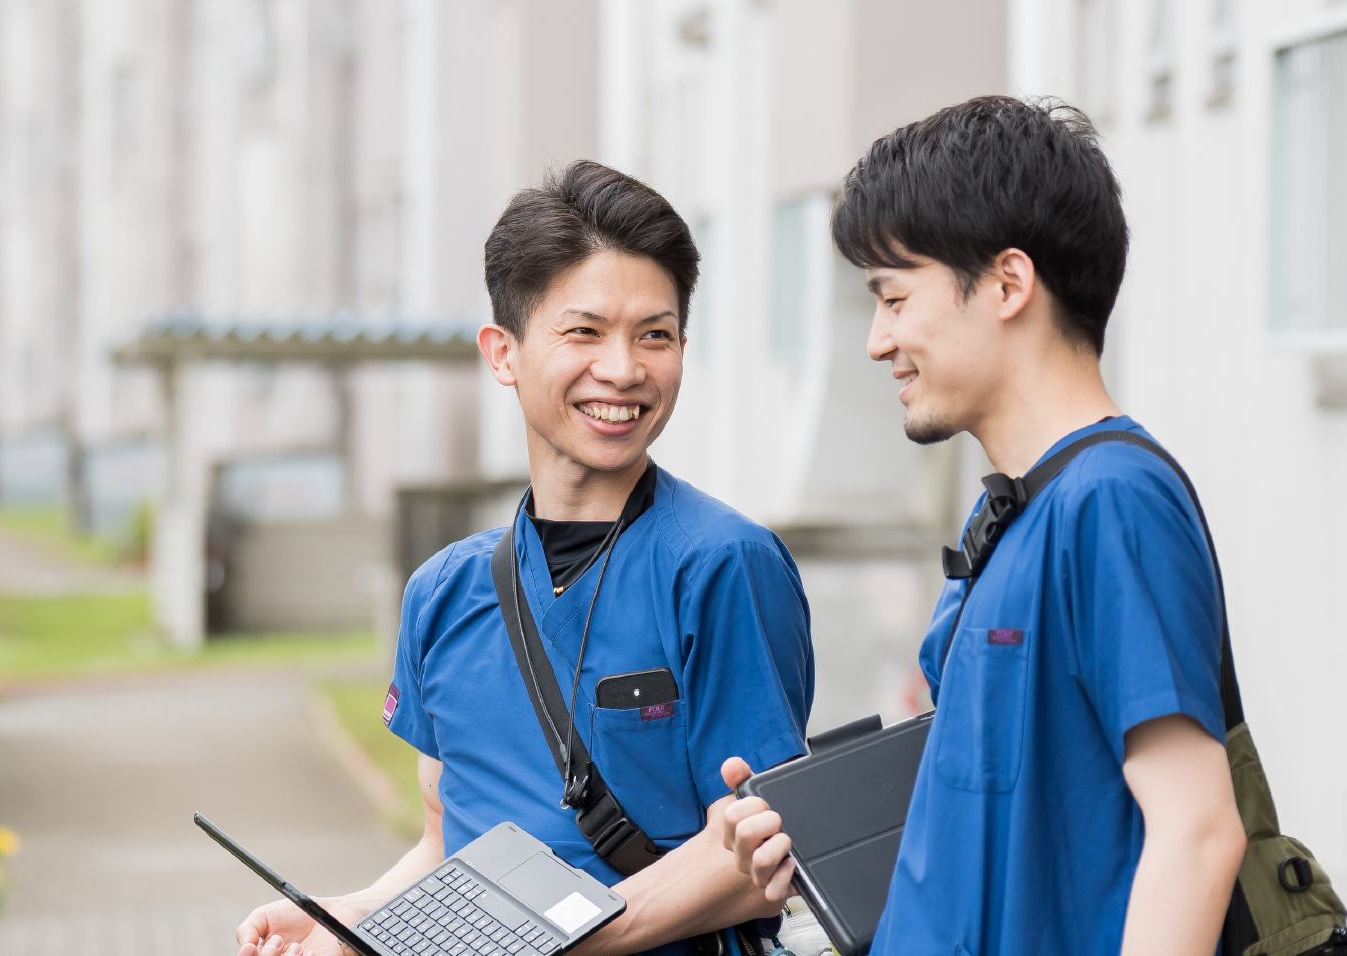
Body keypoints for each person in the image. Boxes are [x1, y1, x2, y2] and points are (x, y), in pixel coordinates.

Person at [236, 160, 816, 956]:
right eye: (584, 331)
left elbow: (759, 856)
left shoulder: (723, 566)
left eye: (655, 334)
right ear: (502, 353)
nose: (623, 369)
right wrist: (355, 921)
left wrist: (546, 945)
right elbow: (448, 845)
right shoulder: (443, 592)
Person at [719, 96, 1247, 954]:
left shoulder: (1111, 503)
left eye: (893, 299)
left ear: (1007, 283)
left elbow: (1196, 834)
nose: (878, 341)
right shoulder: (1018, 512)